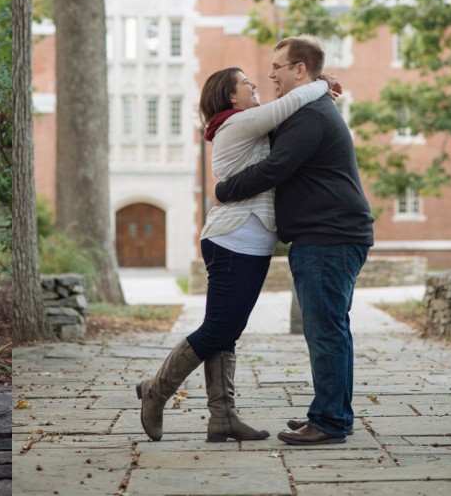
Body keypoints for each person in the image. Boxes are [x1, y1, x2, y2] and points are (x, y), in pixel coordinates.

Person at [137, 66, 334, 442]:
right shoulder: (235, 125)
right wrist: (323, 83)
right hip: (234, 239)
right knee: (220, 328)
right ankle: (155, 391)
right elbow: (290, 102)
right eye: (246, 83)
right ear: (230, 96)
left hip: (247, 241)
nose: (254, 84)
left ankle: (222, 418)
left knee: (226, 330)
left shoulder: (246, 124)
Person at [215, 35, 374, 446]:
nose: (270, 76)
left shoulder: (311, 114)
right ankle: (332, 413)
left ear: (299, 70)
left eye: (277, 68)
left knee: (325, 330)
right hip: (328, 235)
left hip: (329, 236)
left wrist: (224, 190)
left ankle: (331, 422)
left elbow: (275, 167)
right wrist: (325, 83)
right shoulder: (310, 107)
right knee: (330, 328)